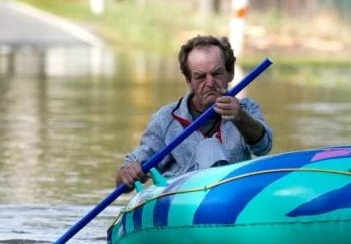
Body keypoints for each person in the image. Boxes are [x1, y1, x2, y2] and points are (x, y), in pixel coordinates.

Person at [115, 35, 273, 188]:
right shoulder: (165, 118)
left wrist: (240, 117)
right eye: (200, 77)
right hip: (182, 202)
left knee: (210, 147)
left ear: (230, 73)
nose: (210, 83)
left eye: (216, 74)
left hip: (233, 195)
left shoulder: (246, 109)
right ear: (189, 81)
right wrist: (127, 174)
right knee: (209, 147)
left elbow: (264, 147)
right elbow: (125, 176)